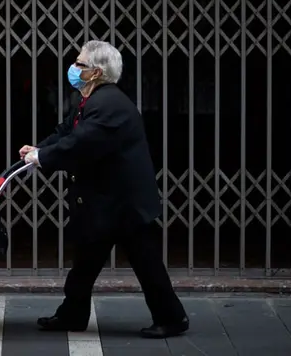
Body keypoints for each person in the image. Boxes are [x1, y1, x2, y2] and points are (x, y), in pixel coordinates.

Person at [20, 40, 189, 338]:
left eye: (79, 64)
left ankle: (172, 318)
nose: (73, 68)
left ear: (96, 72)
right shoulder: (91, 100)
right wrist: (39, 150)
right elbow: (67, 132)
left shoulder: (109, 104)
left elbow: (82, 143)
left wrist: (44, 158)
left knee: (147, 265)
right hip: (105, 204)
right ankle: (72, 314)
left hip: (125, 206)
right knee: (85, 263)